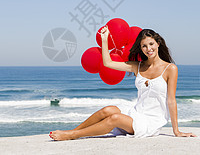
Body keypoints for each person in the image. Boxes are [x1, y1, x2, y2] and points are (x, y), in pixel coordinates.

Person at [49, 27, 196, 140]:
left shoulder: (170, 69)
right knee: (108, 110)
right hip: (136, 113)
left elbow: (171, 100)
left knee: (114, 118)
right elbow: (108, 63)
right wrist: (105, 39)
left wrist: (176, 130)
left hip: (150, 121)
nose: (148, 49)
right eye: (144, 46)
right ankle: (72, 131)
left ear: (158, 43)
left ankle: (73, 136)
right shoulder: (137, 66)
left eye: (151, 44)